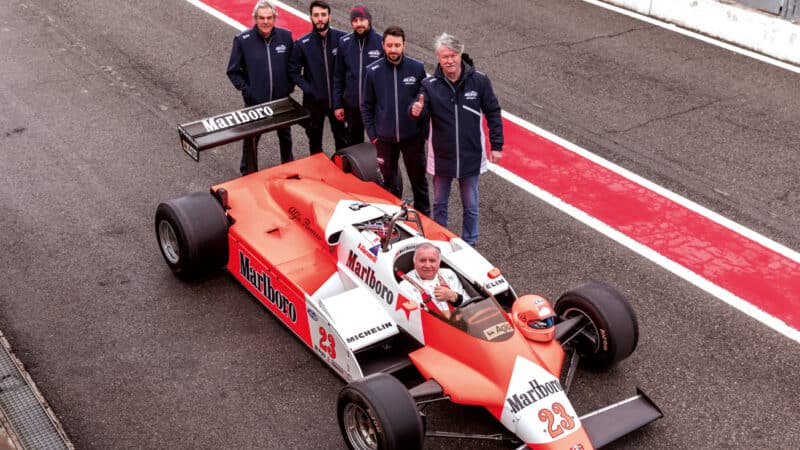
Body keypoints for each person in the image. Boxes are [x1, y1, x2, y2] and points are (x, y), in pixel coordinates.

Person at [410, 33, 503, 246]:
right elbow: (421, 112)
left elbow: (493, 112)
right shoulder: (429, 84)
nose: (449, 60)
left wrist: (497, 145)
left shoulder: (479, 80)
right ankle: (439, 242)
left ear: (460, 55)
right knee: (440, 203)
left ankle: (470, 243)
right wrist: (415, 111)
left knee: (471, 205)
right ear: (438, 58)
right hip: (442, 156)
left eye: (453, 55)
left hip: (470, 155)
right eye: (444, 56)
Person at [361, 26, 430, 215]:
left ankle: (425, 218)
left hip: (412, 139)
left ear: (404, 45)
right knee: (389, 184)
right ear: (383, 45)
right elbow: (366, 105)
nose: (393, 49)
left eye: (397, 45)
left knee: (419, 183)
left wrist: (423, 133)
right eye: (389, 45)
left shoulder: (417, 68)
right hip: (384, 140)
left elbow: (425, 101)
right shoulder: (373, 70)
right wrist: (374, 135)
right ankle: (394, 217)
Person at [226, 0, 294, 174]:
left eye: (269, 18)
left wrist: (289, 86)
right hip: (256, 103)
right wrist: (247, 91)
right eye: (261, 18)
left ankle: (289, 166)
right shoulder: (243, 40)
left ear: (275, 18)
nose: (266, 22)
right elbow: (233, 71)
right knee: (252, 139)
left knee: (285, 137)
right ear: (255, 19)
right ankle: (247, 171)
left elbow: (292, 66)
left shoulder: (286, 37)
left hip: (281, 100)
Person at [289, 1, 347, 154]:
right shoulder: (302, 44)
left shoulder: (342, 40)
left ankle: (340, 171)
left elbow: (350, 68)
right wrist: (310, 89)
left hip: (338, 102)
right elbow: (293, 72)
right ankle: (319, 175)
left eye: (323, 15)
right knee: (314, 144)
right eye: (316, 15)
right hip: (314, 104)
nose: (320, 19)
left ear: (330, 17)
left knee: (342, 141)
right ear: (311, 18)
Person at [332, 3, 383, 146]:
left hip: (375, 107)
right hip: (352, 107)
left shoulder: (381, 43)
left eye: (362, 19)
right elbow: (338, 76)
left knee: (381, 145)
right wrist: (337, 105)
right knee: (354, 145)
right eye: (355, 21)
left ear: (369, 20)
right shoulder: (345, 42)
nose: (359, 24)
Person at [399, 242, 467, 317]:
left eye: (432, 261)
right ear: (414, 262)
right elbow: (419, 318)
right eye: (422, 260)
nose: (428, 265)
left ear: (439, 262)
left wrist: (453, 296)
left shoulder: (449, 274)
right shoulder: (405, 287)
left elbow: (470, 305)